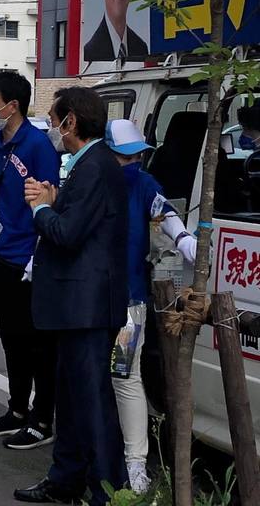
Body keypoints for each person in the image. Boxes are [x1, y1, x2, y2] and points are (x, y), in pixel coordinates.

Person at [15, 87, 128, 506]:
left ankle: (107, 491)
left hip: (88, 307)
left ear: (71, 121)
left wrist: (41, 208)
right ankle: (65, 479)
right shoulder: (88, 165)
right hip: (76, 306)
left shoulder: (95, 166)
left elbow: (68, 233)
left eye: (54, 120)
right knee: (72, 399)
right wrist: (54, 200)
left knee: (92, 403)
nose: (52, 129)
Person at [0, 72, 60, 450]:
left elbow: (49, 198)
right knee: (11, 338)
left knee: (36, 342)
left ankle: (42, 418)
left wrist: (38, 254)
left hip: (28, 258)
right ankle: (17, 409)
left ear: (12, 106)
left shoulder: (37, 146)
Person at [104, 119, 197, 494]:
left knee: (124, 376)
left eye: (137, 156)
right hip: (92, 302)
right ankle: (105, 455)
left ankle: (135, 463)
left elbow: (167, 218)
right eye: (125, 157)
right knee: (99, 377)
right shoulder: (92, 181)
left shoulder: (144, 185)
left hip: (129, 305)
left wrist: (186, 239)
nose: (132, 163)